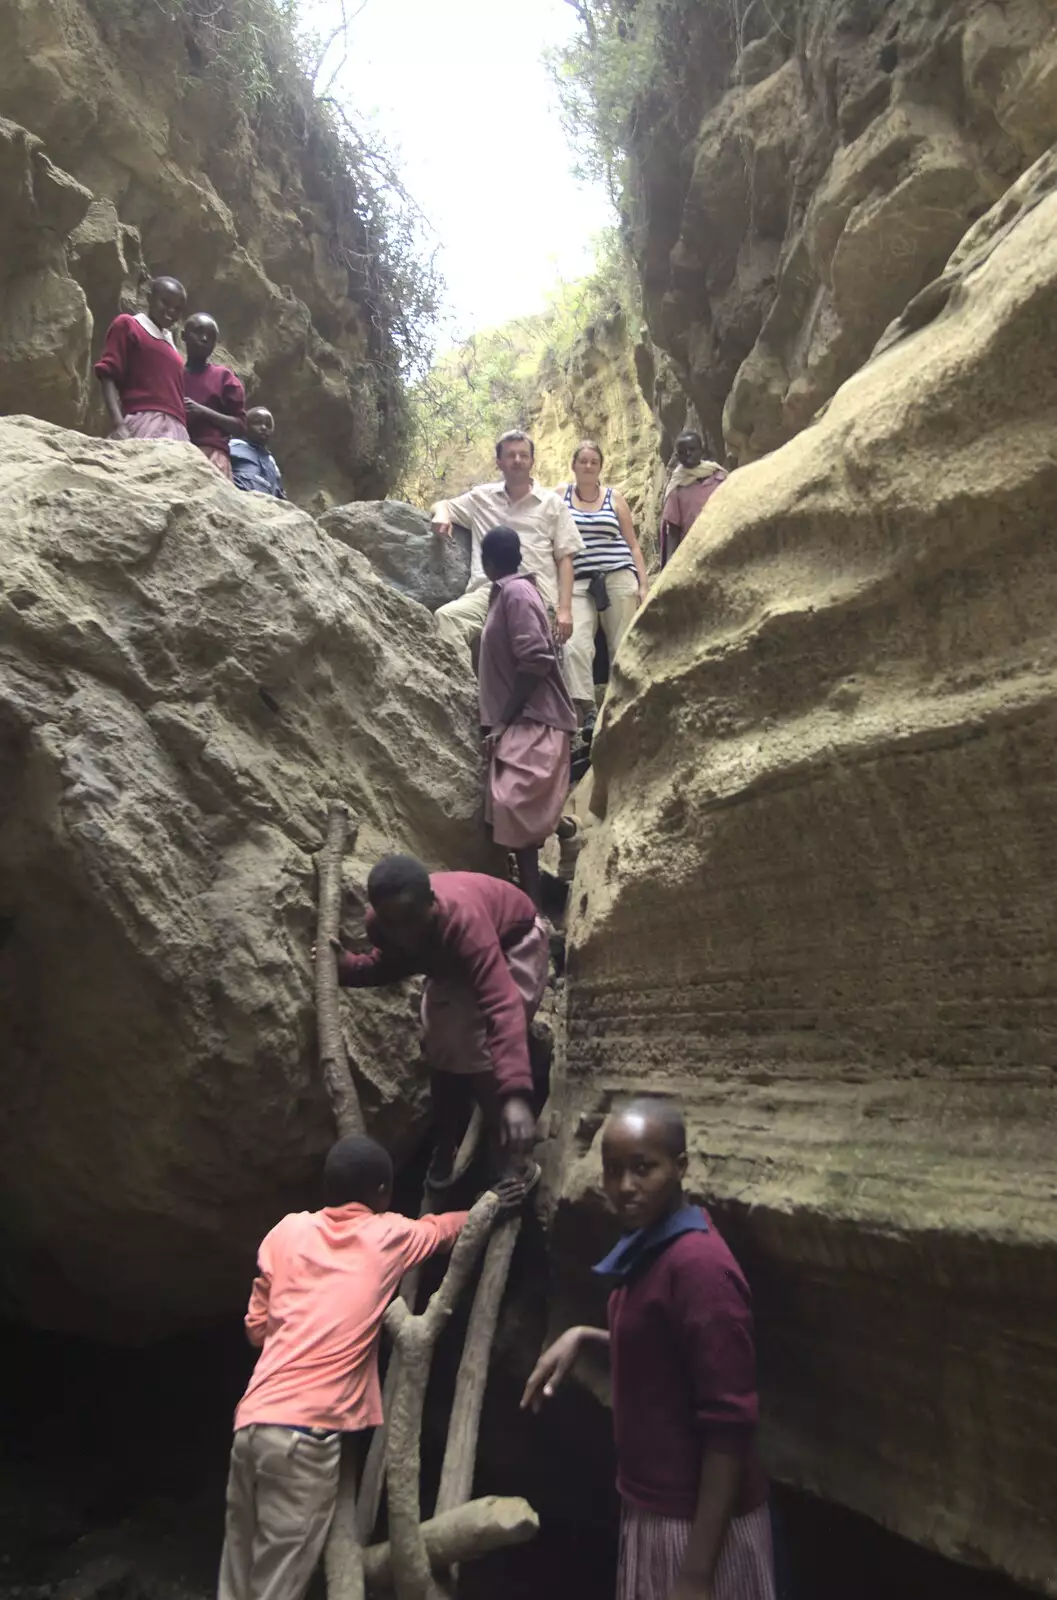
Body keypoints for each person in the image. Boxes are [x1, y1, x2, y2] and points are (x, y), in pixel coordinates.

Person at [522, 1098, 776, 1600]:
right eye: (613, 1171)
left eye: (644, 1168)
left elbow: (729, 1426)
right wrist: (585, 1336)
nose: (624, 1187)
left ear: (680, 1167)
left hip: (697, 1526)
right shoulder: (652, 1246)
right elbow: (668, 1354)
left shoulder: (699, 1268)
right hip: (655, 1507)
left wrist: (697, 1573)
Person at [218, 1133, 474, 1600]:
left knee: (236, 1575)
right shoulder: (388, 1234)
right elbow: (442, 1230)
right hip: (305, 1440)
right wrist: (488, 1206)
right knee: (277, 1585)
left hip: (251, 1427)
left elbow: (256, 1328)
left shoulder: (287, 1231)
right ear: (383, 1193)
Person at [332, 856, 547, 1191]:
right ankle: (446, 1138)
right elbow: (389, 963)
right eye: (393, 923)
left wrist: (516, 1096)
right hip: (455, 965)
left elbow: (501, 1004)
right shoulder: (383, 924)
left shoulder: (464, 923)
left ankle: (507, 1147)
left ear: (432, 903)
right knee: (438, 1045)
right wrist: (350, 967)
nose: (404, 933)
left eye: (411, 919)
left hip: (511, 944)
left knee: (479, 1049)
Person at [478, 526, 576, 908]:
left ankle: (533, 910)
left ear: (486, 562)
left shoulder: (516, 593)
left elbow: (535, 659)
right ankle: (534, 904)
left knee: (514, 808)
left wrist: (503, 720)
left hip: (533, 718)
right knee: (514, 816)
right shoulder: (509, 593)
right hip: (521, 718)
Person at [430, 430, 583, 660]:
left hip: (535, 596)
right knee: (448, 618)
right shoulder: (480, 498)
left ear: (532, 460)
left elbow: (565, 559)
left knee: (524, 656)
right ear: (498, 462)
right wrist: (441, 513)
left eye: (523, 455)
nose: (517, 461)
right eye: (510, 455)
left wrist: (565, 610)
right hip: (488, 594)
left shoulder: (553, 503)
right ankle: (463, 693)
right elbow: (444, 505)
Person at [559, 441, 650, 732]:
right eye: (582, 461)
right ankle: (586, 710)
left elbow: (633, 545)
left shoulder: (615, 498)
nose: (588, 466)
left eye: (593, 462)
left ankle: (622, 705)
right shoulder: (559, 497)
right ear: (573, 465)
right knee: (575, 645)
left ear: (601, 466)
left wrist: (644, 584)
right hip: (578, 580)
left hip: (618, 575)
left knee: (621, 642)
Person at [94, 276, 189, 442]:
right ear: (149, 297)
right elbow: (107, 375)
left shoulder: (171, 343)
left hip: (178, 427)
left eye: (178, 308)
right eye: (165, 303)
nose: (171, 312)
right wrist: (119, 424)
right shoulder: (129, 325)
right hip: (145, 419)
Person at [182, 313, 247, 478]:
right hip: (176, 448)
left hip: (212, 455)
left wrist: (203, 412)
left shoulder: (224, 377)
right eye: (198, 332)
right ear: (183, 336)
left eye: (210, 336)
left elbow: (240, 426)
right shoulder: (174, 374)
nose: (204, 339)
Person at [660, 431, 727, 568]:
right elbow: (673, 529)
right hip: (691, 552)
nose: (688, 454)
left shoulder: (720, 477)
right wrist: (670, 565)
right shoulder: (677, 487)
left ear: (702, 451)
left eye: (692, 449)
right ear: (677, 456)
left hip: (721, 543)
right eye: (683, 452)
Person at [231, 408, 286, 498]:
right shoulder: (232, 446)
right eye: (257, 423)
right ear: (245, 426)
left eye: (268, 425)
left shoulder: (272, 463)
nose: (264, 428)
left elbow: (280, 495)